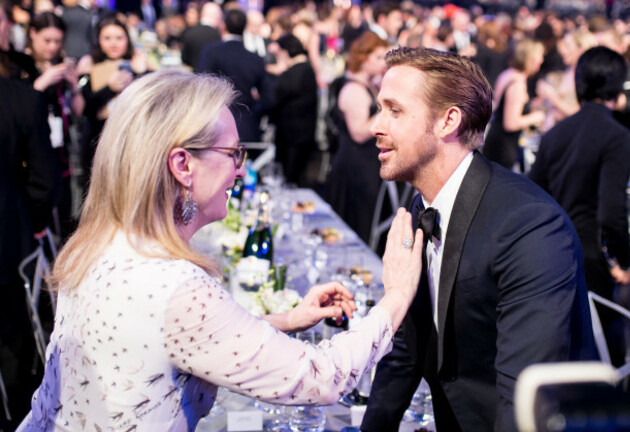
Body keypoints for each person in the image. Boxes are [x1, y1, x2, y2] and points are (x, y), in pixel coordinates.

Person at [16, 69, 424, 431]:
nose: (241, 169)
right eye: (233, 154)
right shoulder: (173, 283)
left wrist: (285, 319)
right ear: (182, 164)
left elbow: (163, 335)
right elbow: (320, 377)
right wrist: (397, 295)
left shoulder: (103, 240)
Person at [361, 47, 596, 432]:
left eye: (394, 110)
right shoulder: (422, 202)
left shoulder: (528, 226)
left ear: (447, 121)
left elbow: (524, 401)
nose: (376, 125)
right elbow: (406, 347)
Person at [529, 46, 630, 335]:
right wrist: (625, 262)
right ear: (617, 88)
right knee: (601, 349)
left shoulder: (555, 134)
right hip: (591, 261)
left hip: (551, 253)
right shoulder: (618, 137)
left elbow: (532, 196)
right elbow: (611, 210)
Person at [0, 77, 60, 431]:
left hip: (12, 236)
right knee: (14, 343)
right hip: (10, 237)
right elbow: (46, 181)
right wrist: (33, 220)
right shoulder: (21, 97)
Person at [327, 31, 389, 245]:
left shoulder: (370, 86)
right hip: (354, 165)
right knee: (352, 222)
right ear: (363, 58)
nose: (383, 63)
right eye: (378, 57)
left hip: (365, 164)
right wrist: (387, 109)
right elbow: (359, 132)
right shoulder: (354, 89)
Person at [27, 11, 84, 240]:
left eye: (58, 41)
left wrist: (73, 84)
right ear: (32, 34)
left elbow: (78, 110)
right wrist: (42, 82)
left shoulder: (62, 65)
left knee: (66, 210)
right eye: (47, 41)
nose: (52, 47)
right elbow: (18, 108)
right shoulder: (21, 65)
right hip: (33, 153)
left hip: (62, 152)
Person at [78, 13, 147, 191]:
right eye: (107, 38)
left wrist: (141, 74)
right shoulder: (89, 66)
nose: (113, 43)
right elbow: (86, 109)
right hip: (99, 144)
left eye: (119, 38)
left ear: (127, 39)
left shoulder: (138, 65)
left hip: (132, 144)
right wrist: (109, 88)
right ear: (98, 40)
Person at [198, 7, 274, 143]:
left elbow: (202, 87)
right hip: (247, 127)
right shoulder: (254, 58)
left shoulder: (211, 52)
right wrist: (253, 113)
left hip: (215, 127)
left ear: (224, 26)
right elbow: (268, 98)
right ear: (245, 28)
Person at [482, 38, 546, 171]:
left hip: (497, 141)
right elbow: (510, 123)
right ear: (529, 58)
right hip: (503, 147)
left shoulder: (509, 74)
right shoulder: (517, 83)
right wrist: (536, 117)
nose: (541, 60)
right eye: (539, 56)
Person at [270, 33, 318, 186]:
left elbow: (275, 97)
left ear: (286, 51)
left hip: (292, 137)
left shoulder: (295, 73)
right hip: (302, 135)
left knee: (290, 180)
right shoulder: (306, 70)